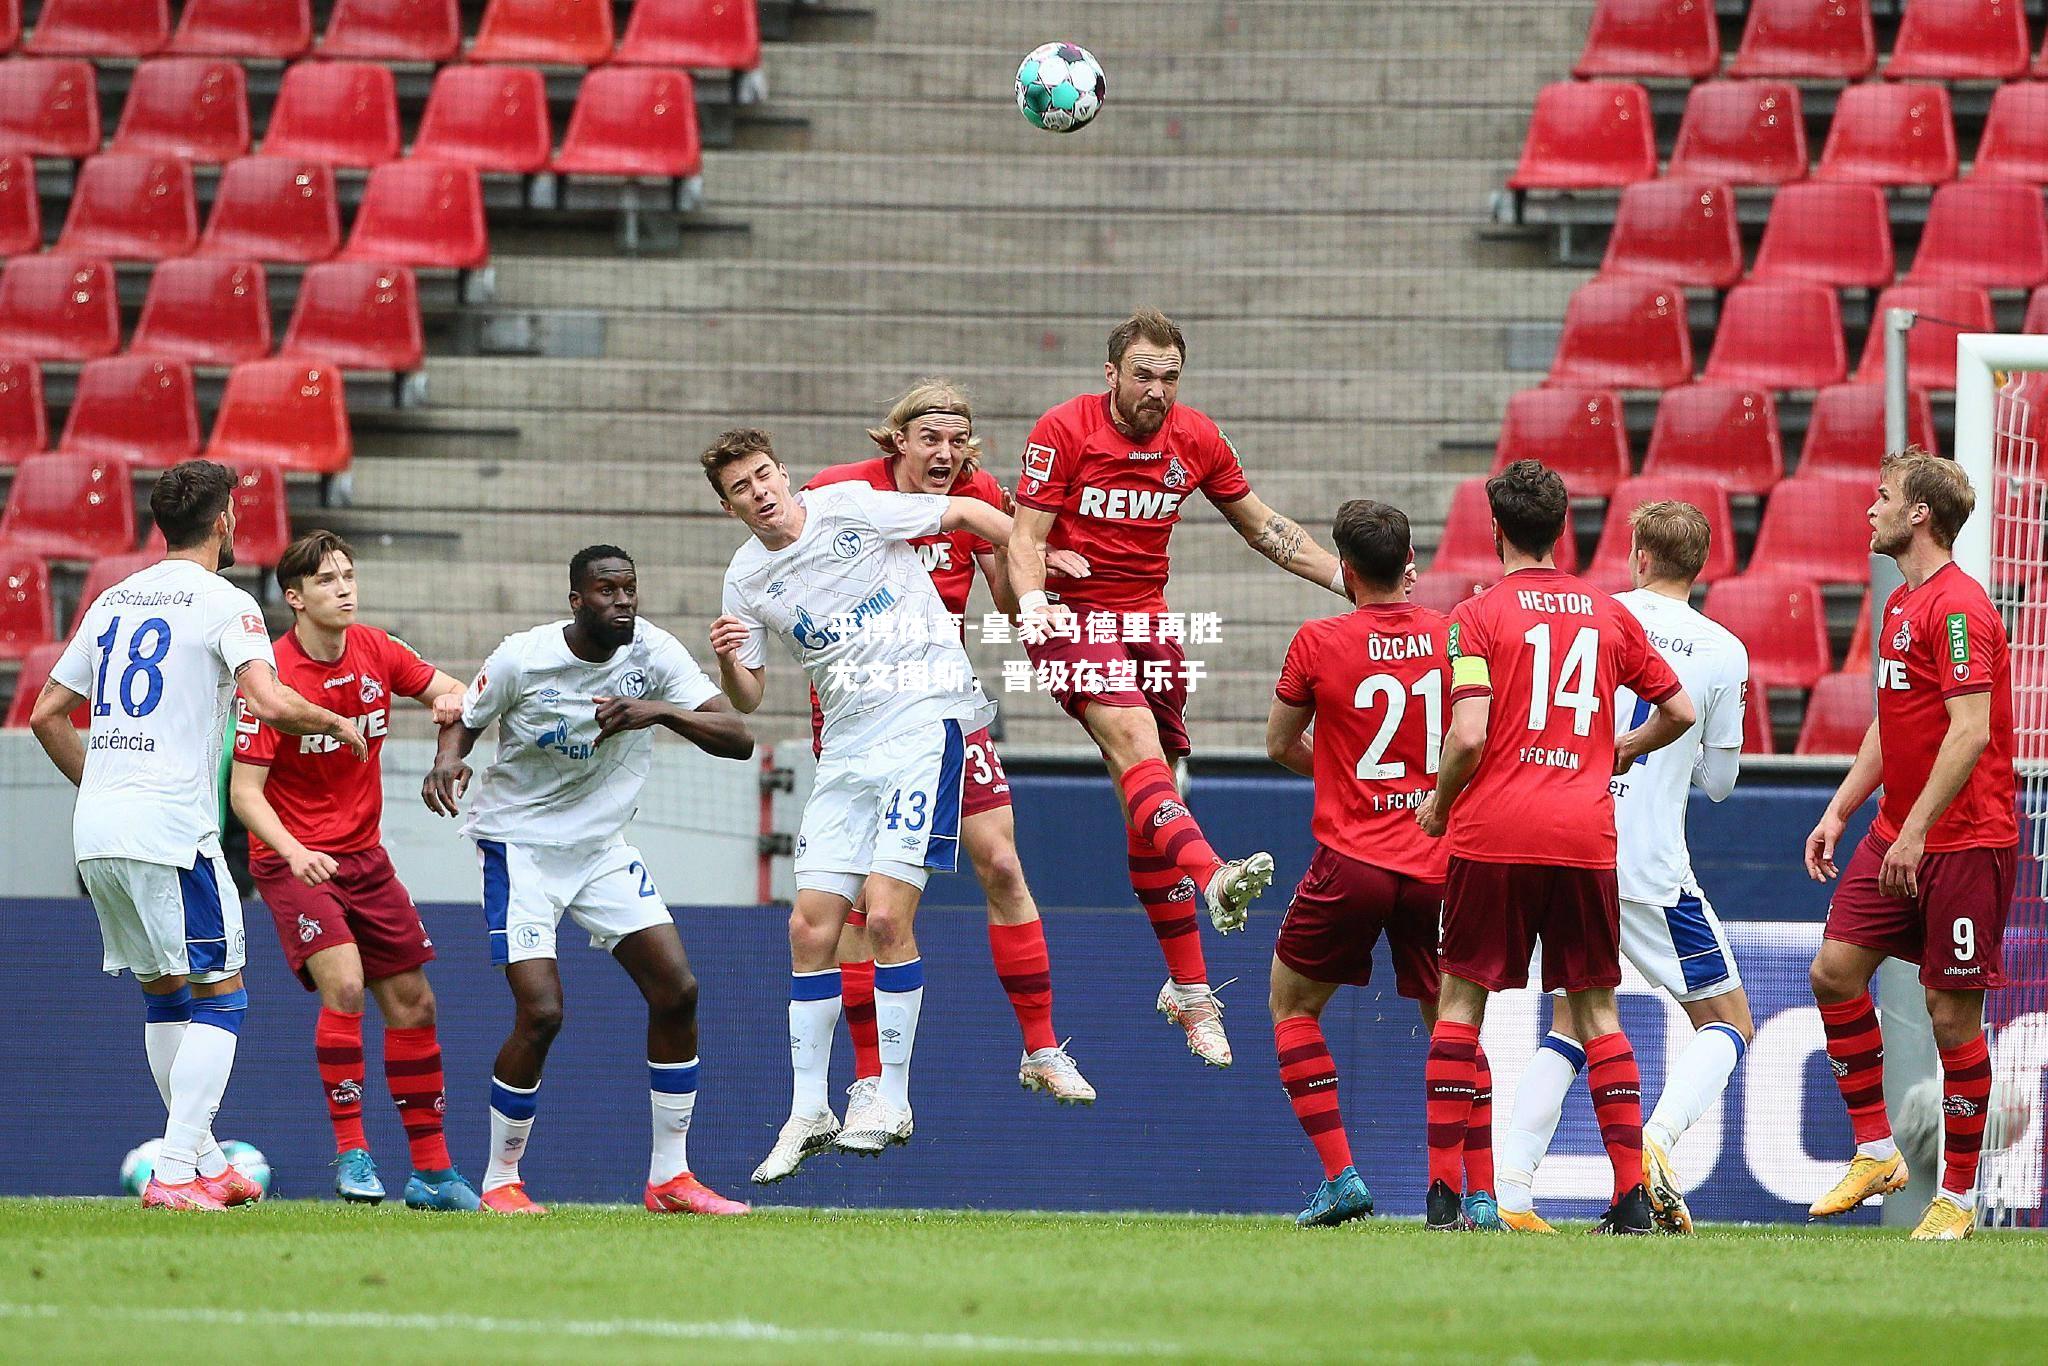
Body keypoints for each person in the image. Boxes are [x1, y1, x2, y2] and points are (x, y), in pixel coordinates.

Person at [1007, 309, 1350, 1066]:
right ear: (1110, 374)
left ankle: (1190, 991)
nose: (1157, 391)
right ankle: (1214, 874)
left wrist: (1343, 578)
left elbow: (1264, 527)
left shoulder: (1197, 438)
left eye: (1169, 378)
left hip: (1149, 623)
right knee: (1134, 742)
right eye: (1143, 375)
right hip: (1071, 614)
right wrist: (1033, 613)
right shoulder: (1062, 430)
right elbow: (1026, 540)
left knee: (1150, 792)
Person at [30, 459, 366, 1210]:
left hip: (101, 830)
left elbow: (45, 713)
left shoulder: (112, 599)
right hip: (173, 831)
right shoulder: (227, 602)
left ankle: (205, 1161)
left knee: (165, 996)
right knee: (224, 997)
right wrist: (337, 720)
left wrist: (106, 787)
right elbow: (271, 702)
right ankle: (175, 1172)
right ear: (223, 522)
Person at [704, 428, 1012, 1181]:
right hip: (844, 751)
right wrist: (724, 656)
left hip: (921, 722)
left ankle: (891, 1098)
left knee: (882, 917)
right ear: (728, 505)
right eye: (741, 488)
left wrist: (1038, 568)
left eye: (765, 475)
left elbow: (969, 518)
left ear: (783, 474)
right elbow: (750, 694)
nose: (760, 492)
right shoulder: (745, 579)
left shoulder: (849, 506)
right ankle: (810, 1109)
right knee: (810, 928)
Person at [422, 545, 755, 1217]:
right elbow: (465, 713)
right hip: (520, 848)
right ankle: (500, 1181)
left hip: (600, 848)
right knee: (542, 1012)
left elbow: (736, 735)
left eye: (630, 588)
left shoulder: (653, 654)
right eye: (607, 591)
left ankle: (670, 1178)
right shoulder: (524, 656)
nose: (624, 601)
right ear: (578, 601)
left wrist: (656, 711)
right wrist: (445, 761)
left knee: (678, 991)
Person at [1414, 459, 1695, 1234]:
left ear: (1495, 529)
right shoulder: (1607, 614)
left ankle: (1443, 1198)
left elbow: (1468, 731)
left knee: (1461, 1004)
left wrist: (1439, 805)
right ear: (1562, 529)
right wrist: (1624, 748)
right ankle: (1632, 1200)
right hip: (1581, 836)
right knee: (1597, 1011)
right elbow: (1677, 709)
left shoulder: (1473, 618)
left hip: (1493, 835)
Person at [805, 381, 1094, 1107]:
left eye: (956, 440)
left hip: (946, 711)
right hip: (863, 725)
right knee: (868, 905)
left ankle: (1040, 1048)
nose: (944, 453)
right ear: (897, 440)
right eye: (929, 439)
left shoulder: (979, 495)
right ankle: (870, 1079)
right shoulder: (838, 493)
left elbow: (1005, 591)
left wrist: (1042, 583)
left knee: (999, 862)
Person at [1493, 501, 1754, 1235]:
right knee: (1729, 1020)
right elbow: (1722, 784)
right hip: (1651, 868)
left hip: (1572, 845)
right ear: (1702, 567)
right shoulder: (1723, 649)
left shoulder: (1593, 615)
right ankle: (1658, 1143)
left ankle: (1512, 1191)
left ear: (1637, 554)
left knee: (1572, 1021)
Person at [1264, 500, 1499, 1228]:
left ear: (1343, 569)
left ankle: (1341, 1178)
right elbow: (1478, 735)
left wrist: (1344, 779)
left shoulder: (1316, 640)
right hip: (1438, 857)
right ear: (1409, 567)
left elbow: (1279, 744)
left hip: (1352, 858)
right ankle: (1481, 1197)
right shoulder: (1455, 632)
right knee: (1453, 1024)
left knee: (1293, 1006)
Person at [229, 530, 479, 1210]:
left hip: (365, 858)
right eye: (328, 580)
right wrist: (293, 852)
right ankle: (354, 1156)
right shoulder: (269, 678)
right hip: (292, 861)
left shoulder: (378, 650)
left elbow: (452, 691)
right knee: (344, 983)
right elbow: (244, 794)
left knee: (415, 1004)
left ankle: (431, 1173)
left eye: (348, 575)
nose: (344, 588)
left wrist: (446, 719)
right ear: (294, 597)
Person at [1803, 449, 2017, 1242]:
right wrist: (1840, 810)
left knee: (1950, 1014)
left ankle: (1956, 1201)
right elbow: (1891, 725)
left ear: (1919, 514)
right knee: (1833, 972)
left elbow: (1969, 732)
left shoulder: (1959, 609)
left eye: (1883, 496)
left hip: (1963, 841)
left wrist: (1919, 832)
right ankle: (1875, 1148)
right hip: (1900, 830)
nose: (1871, 507)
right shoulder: (1900, 605)